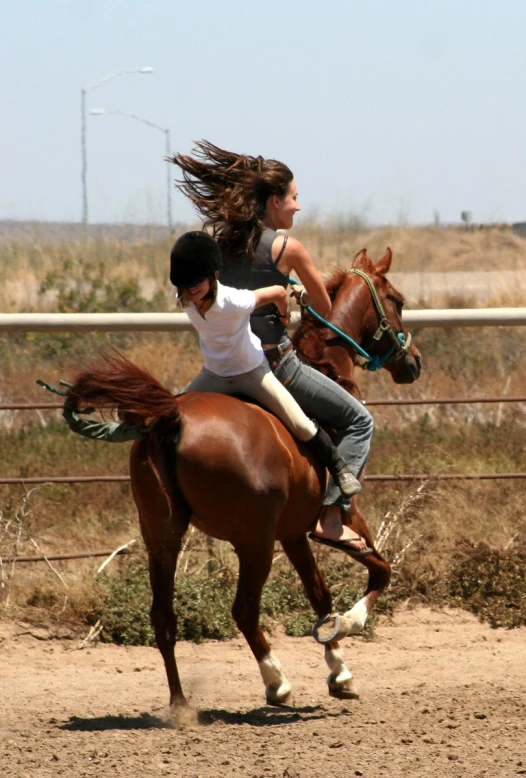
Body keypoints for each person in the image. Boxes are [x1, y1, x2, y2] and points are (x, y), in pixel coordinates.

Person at [168, 142, 374, 557]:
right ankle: (332, 515)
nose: (298, 208)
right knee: (359, 420)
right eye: (294, 198)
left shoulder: (219, 246)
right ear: (275, 201)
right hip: (275, 365)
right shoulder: (287, 249)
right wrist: (295, 297)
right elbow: (325, 309)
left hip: (221, 364)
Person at [170, 231, 367, 526]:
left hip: (252, 373)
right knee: (170, 412)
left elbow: (276, 291)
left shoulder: (233, 301)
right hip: (214, 374)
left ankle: (340, 470)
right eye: (185, 285)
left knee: (300, 423)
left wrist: (284, 313)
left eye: (196, 283)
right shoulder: (185, 298)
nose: (191, 290)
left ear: (213, 275)